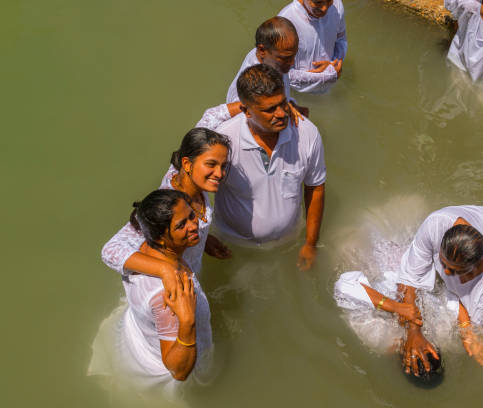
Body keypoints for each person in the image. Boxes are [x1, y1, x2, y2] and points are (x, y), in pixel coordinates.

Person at [339, 206, 483, 375]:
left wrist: (395, 307)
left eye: (453, 270)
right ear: (435, 349)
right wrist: (467, 331)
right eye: (442, 263)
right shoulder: (437, 224)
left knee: (346, 243)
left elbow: (344, 285)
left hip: (376, 263)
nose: (445, 273)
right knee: (413, 204)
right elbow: (450, 300)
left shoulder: (377, 336)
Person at [91, 189, 214, 393]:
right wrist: (187, 321)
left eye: (192, 215)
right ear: (161, 238)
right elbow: (178, 371)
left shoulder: (141, 251)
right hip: (169, 377)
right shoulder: (166, 295)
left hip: (142, 342)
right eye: (181, 225)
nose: (194, 226)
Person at [214, 64, 326, 270]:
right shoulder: (223, 142)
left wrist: (311, 243)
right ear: (246, 110)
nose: (282, 113)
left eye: (283, 103)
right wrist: (206, 241)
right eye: (270, 109)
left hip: (289, 241)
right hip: (233, 245)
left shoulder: (307, 134)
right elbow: (196, 189)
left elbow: (315, 187)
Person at [101, 127, 232, 295]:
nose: (220, 173)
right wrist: (166, 270)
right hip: (167, 290)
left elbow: (208, 120)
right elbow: (110, 250)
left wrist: (204, 239)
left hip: (191, 279)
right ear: (187, 164)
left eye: (223, 166)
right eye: (211, 164)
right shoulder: (168, 204)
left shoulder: (192, 179)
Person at [226, 16, 309, 118]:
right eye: (285, 58)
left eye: (294, 55)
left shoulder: (271, 59)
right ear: (262, 50)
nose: (292, 62)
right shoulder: (254, 82)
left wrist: (290, 104)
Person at [278, 0, 348, 93]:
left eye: (329, 1)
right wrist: (327, 76)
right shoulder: (284, 22)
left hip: (330, 85)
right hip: (299, 93)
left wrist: (336, 64)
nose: (325, 8)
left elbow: (341, 39)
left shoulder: (337, 5)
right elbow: (280, 72)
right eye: (318, 2)